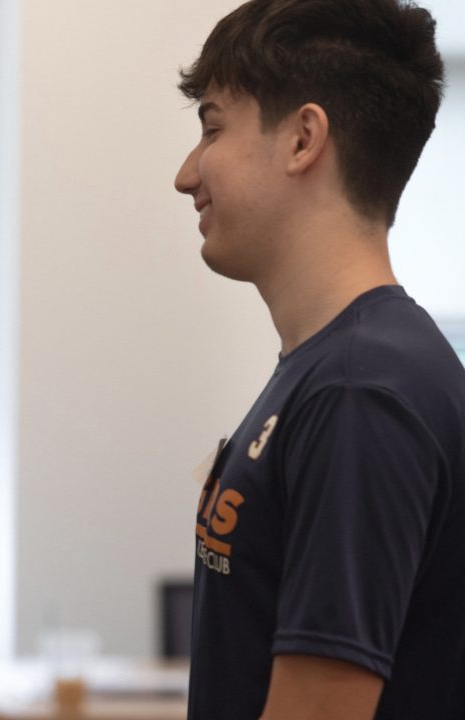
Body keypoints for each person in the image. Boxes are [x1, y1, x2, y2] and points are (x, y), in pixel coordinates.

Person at [175, 1, 465, 717]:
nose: (186, 174)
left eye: (212, 128)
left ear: (304, 139)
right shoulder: (334, 370)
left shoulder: (360, 392)